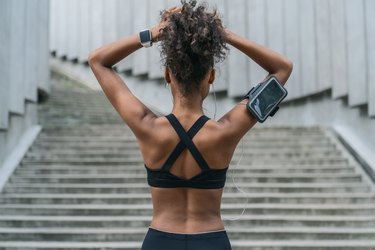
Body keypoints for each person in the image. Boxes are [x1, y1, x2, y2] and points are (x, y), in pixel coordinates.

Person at [88, 1, 292, 249]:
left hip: (160, 241)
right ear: (211, 76)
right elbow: (282, 68)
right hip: (211, 241)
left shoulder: (146, 127)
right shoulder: (226, 132)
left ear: (166, 74)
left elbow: (97, 60)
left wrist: (152, 33)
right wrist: (224, 35)